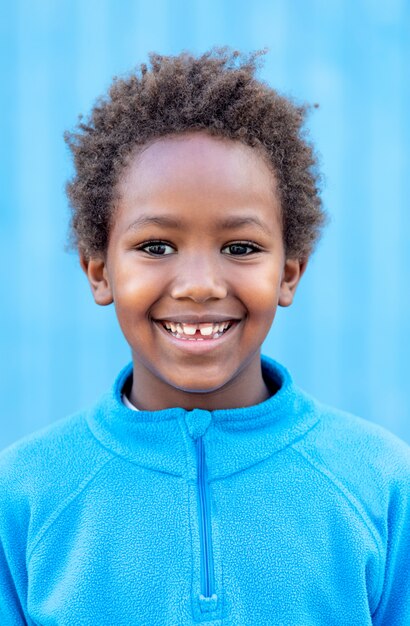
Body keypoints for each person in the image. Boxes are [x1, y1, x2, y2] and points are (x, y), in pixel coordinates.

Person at [0, 49, 409, 626]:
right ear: (99, 270)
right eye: (156, 247)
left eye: (240, 248)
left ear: (289, 271)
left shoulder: (384, 485)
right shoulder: (23, 495)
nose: (198, 286)